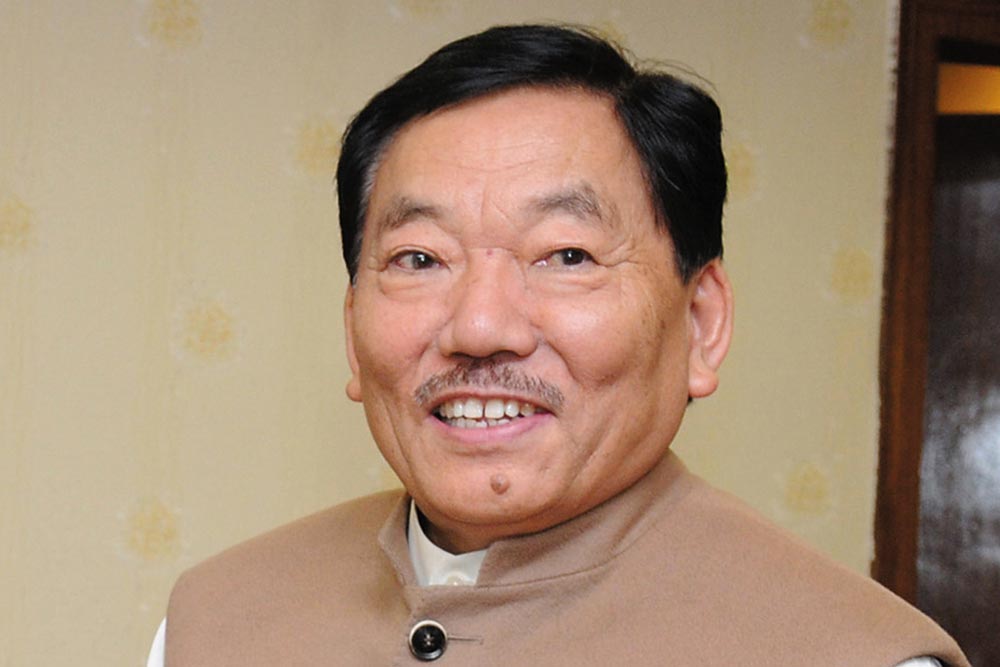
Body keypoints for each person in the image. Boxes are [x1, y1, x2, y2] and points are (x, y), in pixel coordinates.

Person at [149, 24, 969, 666]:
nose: (480, 328)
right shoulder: (211, 624)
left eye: (566, 255)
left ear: (701, 323)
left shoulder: (852, 653)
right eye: (419, 259)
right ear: (353, 326)